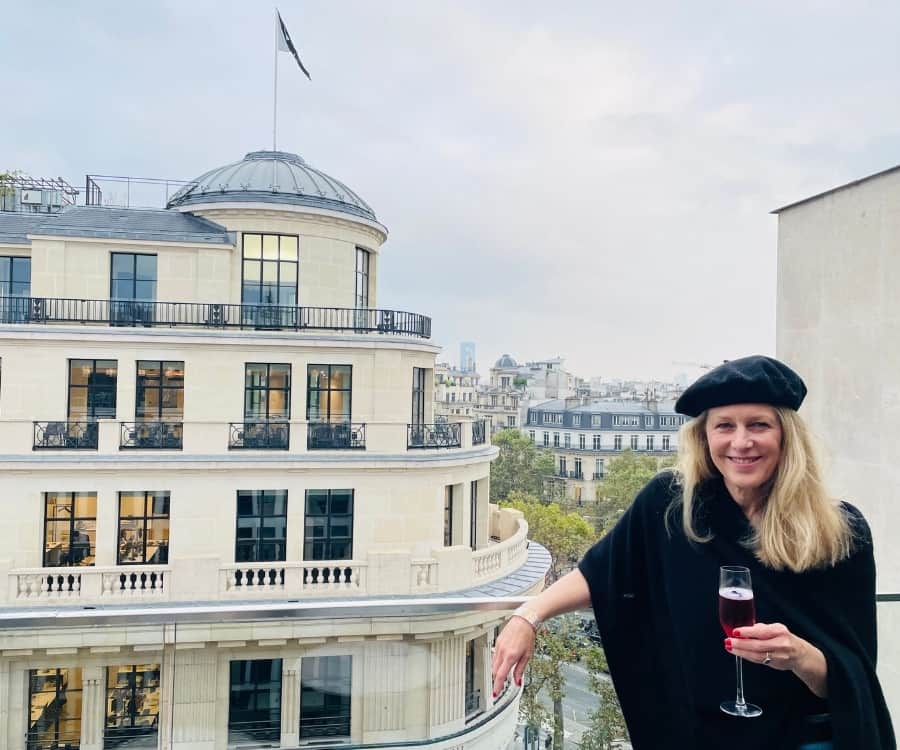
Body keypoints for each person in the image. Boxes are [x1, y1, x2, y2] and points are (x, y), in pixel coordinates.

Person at [492, 356, 895, 750]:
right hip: (700, 735)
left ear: (787, 436)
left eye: (758, 425)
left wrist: (798, 655)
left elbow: (853, 677)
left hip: (802, 736)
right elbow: (601, 571)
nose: (741, 442)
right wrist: (528, 617)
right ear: (704, 438)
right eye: (724, 426)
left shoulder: (840, 532)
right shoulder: (672, 506)